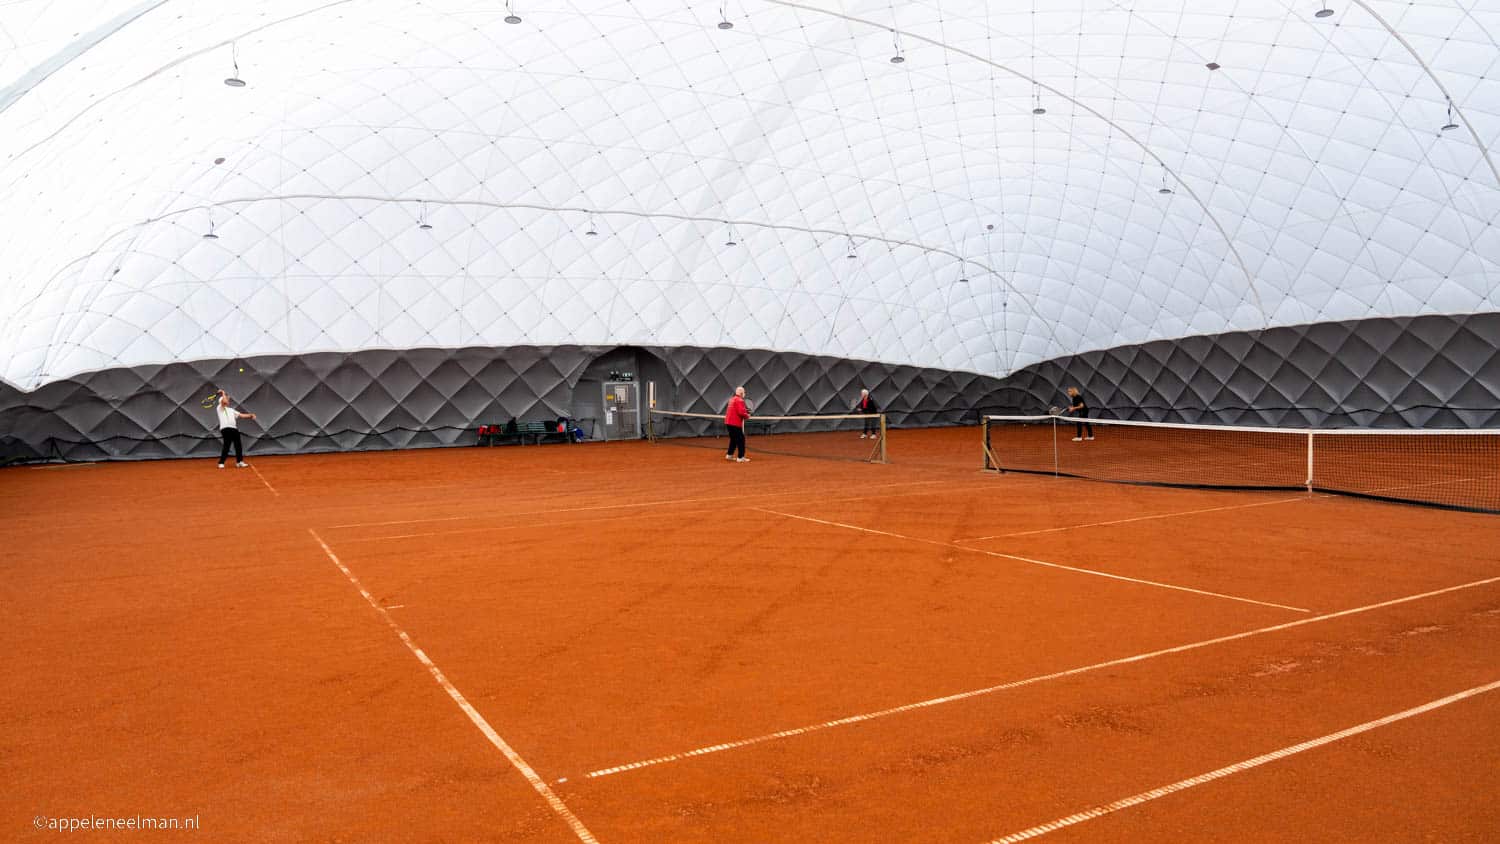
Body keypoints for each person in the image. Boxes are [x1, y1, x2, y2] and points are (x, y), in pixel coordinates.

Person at [214, 390, 257, 468]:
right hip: (225, 429)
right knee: (227, 445)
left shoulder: (231, 410)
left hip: (234, 429)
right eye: (226, 399)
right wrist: (223, 393)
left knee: (238, 445)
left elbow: (241, 415)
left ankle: (239, 462)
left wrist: (251, 415)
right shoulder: (219, 408)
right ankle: (221, 463)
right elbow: (224, 402)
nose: (227, 400)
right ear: (221, 401)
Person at [724, 386, 751, 463]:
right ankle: (740, 457)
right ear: (741, 393)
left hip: (728, 423)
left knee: (733, 439)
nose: (745, 394)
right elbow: (741, 412)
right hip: (735, 423)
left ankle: (729, 455)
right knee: (741, 439)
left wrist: (745, 410)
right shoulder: (740, 400)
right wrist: (747, 415)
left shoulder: (731, 399)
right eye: (744, 392)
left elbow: (736, 410)